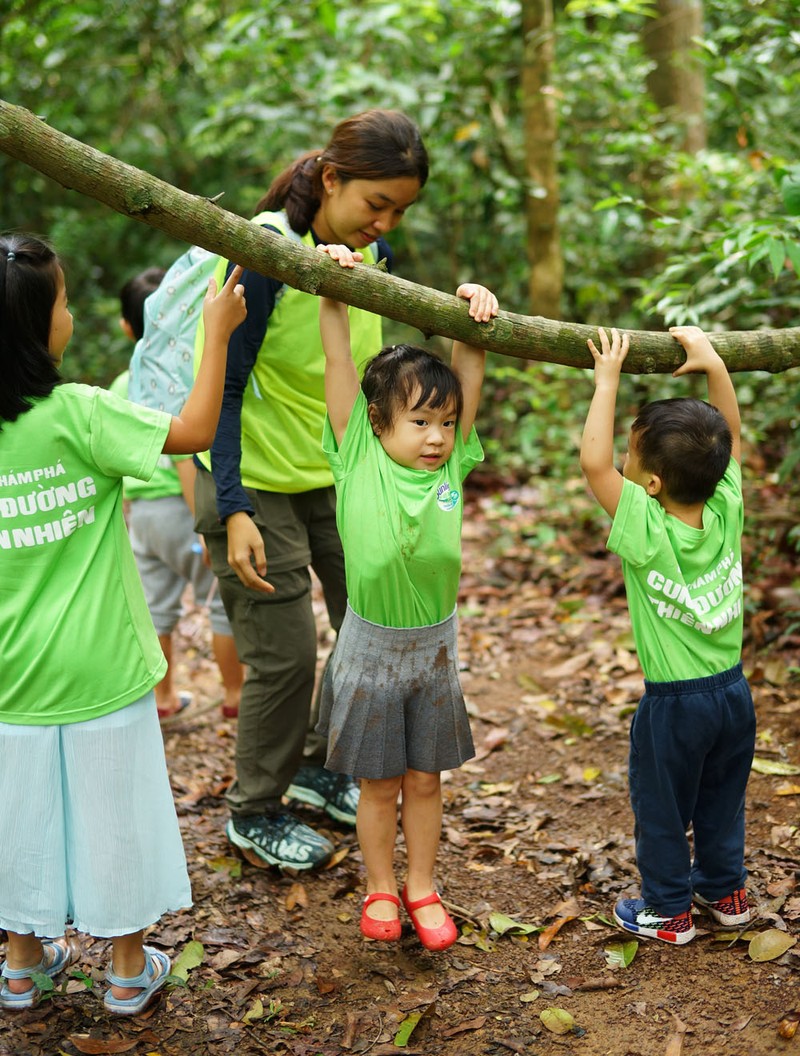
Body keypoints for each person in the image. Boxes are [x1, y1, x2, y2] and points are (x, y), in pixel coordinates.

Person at [0, 234, 246, 1014]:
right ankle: (126, 973)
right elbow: (197, 430)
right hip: (102, 669)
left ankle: (20, 969)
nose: (70, 314)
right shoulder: (82, 413)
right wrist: (216, 334)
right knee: (119, 817)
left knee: (19, 821)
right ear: (37, 330)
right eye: (64, 304)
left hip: (11, 676)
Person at [192, 109, 430, 872]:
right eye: (375, 204)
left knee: (365, 628)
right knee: (288, 655)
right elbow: (222, 390)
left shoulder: (368, 255)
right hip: (254, 484)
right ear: (331, 180)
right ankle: (254, 808)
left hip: (336, 478)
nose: (385, 223)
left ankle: (320, 768)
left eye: (398, 210)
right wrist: (232, 510)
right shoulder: (261, 252)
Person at [315, 241, 497, 950]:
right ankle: (381, 887)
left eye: (445, 423)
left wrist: (472, 312)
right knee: (379, 785)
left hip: (434, 651)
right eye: (419, 422)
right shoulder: (356, 454)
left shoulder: (455, 464)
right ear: (378, 421)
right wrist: (332, 287)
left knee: (426, 780)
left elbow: (468, 375)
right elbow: (338, 363)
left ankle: (422, 885)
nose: (437, 437)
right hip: (371, 648)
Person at [579, 324, 756, 945]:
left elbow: (592, 462)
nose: (623, 464)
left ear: (651, 484)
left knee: (660, 807)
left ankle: (668, 910)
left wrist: (606, 381)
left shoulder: (645, 527)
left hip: (674, 704)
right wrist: (714, 364)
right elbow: (728, 438)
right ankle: (725, 890)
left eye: (635, 457)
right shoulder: (726, 501)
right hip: (734, 695)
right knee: (721, 797)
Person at [113, 267, 245, 721]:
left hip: (143, 518)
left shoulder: (120, 384)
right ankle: (235, 695)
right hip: (180, 509)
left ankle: (164, 698)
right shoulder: (182, 380)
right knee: (223, 606)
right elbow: (184, 456)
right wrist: (206, 528)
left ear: (127, 327)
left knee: (155, 608)